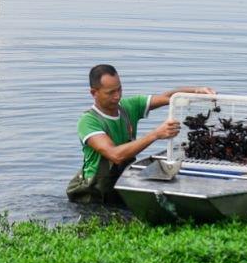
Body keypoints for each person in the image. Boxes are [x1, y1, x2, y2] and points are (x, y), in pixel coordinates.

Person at [66, 63, 215, 204]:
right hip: (94, 197)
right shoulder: (88, 121)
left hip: (122, 186)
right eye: (110, 92)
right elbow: (115, 155)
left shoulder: (129, 106)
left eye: (119, 89)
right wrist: (155, 134)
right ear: (94, 93)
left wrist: (197, 92)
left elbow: (169, 98)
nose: (117, 96)